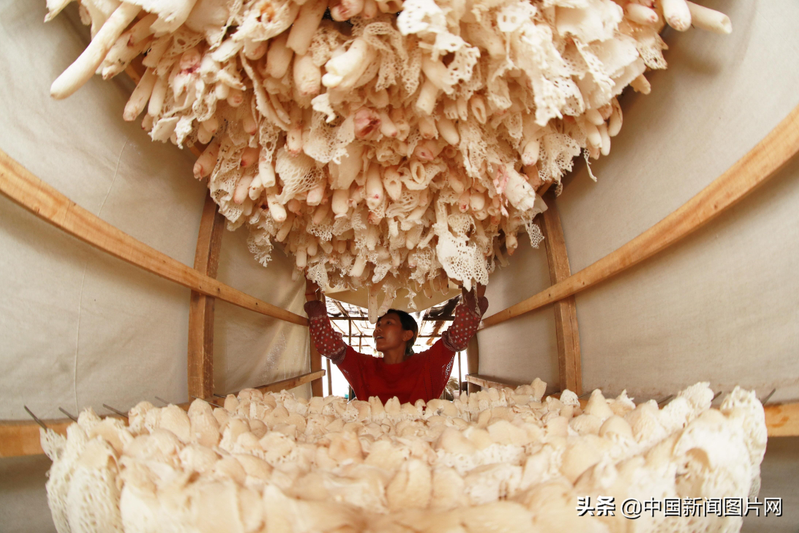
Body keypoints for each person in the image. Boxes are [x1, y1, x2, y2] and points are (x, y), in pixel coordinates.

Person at [304, 279, 488, 404]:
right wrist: (311, 295)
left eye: (388, 323)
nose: (378, 329)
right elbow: (328, 345)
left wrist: (476, 294)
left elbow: (458, 336)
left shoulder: (428, 364)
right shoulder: (363, 366)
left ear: (407, 335)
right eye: (378, 325)